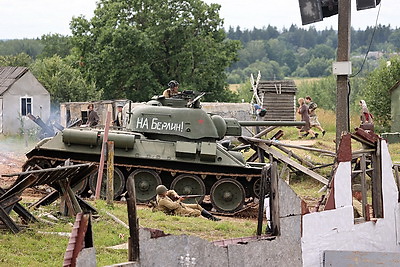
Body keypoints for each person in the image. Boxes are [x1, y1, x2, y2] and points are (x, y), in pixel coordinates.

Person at [153, 185, 221, 221]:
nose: (166, 192)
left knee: (197, 206)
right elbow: (173, 206)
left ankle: (212, 218)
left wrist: (176, 195)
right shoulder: (162, 200)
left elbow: (171, 191)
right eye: (165, 191)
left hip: (179, 205)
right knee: (197, 212)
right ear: (162, 193)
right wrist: (179, 200)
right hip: (176, 211)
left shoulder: (161, 194)